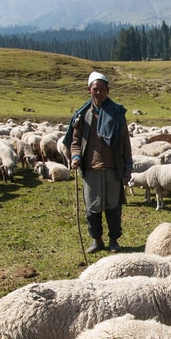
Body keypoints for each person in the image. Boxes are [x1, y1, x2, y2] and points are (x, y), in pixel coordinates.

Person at [64, 71, 134, 253]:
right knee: (92, 209)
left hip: (112, 168)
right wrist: (76, 156)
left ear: (108, 91)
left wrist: (128, 167)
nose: (99, 93)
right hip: (91, 169)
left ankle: (113, 240)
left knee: (113, 208)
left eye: (102, 89)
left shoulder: (117, 114)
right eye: (95, 89)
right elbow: (75, 141)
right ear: (89, 90)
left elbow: (125, 142)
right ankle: (96, 240)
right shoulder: (83, 115)